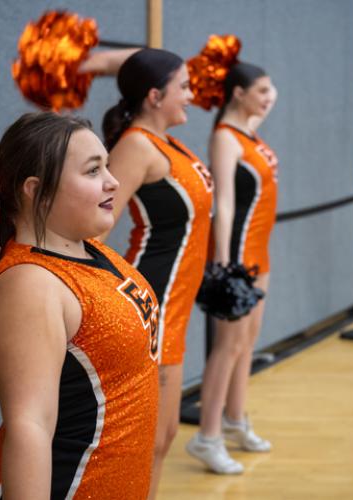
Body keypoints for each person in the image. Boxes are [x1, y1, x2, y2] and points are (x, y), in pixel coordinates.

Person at [0, 112, 160, 499]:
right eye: (92, 170)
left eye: (108, 166)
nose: (113, 181)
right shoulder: (30, 284)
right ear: (35, 189)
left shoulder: (91, 249)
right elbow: (29, 425)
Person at [101, 48, 213, 498]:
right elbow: (94, 226)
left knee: (162, 438)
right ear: (153, 95)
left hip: (178, 303)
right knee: (151, 439)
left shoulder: (169, 141)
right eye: (183, 86)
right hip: (157, 298)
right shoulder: (135, 146)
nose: (191, 94)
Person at [186, 62, 278, 474]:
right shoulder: (225, 138)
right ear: (238, 93)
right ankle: (207, 437)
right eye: (261, 89)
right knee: (228, 346)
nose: (269, 96)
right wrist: (224, 264)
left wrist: (261, 97)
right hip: (238, 254)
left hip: (261, 252)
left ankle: (235, 419)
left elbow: (261, 107)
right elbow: (222, 203)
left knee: (247, 344)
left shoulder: (250, 130)